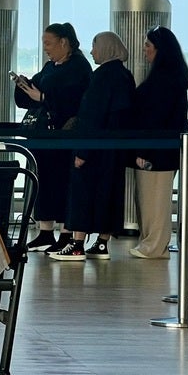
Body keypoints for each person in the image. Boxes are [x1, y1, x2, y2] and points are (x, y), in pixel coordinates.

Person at [51, 31, 135, 262]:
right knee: (109, 194)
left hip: (94, 148)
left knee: (83, 193)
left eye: (95, 46)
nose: (92, 51)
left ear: (106, 48)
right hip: (114, 151)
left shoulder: (102, 77)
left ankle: (77, 244)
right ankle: (101, 243)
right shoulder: (125, 76)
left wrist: (82, 151)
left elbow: (91, 116)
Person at [14, 22, 92, 255]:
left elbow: (75, 100)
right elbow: (37, 92)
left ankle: (66, 233)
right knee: (45, 181)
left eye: (48, 43)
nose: (46, 48)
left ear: (63, 42)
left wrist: (45, 96)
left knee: (64, 183)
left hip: (65, 136)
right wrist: (25, 86)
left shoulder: (79, 67)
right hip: (45, 135)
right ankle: (46, 230)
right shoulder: (50, 67)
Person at [129, 26, 188, 259]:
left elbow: (154, 119)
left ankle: (154, 246)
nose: (144, 50)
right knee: (149, 199)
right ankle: (151, 243)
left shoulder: (163, 81)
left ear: (159, 49)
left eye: (148, 46)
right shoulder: (169, 78)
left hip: (157, 151)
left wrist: (143, 150)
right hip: (160, 149)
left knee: (155, 200)